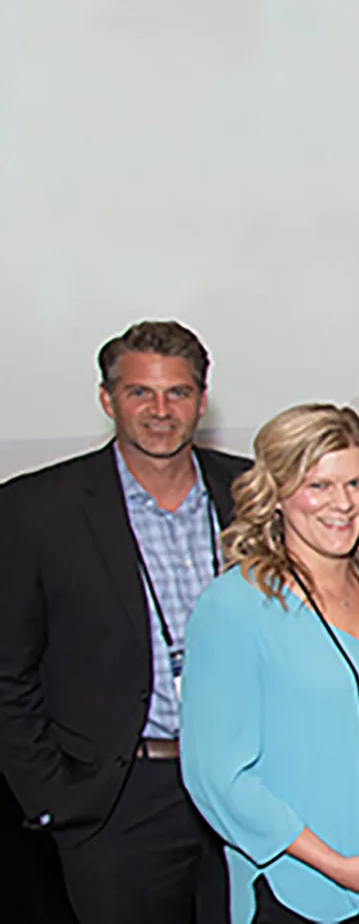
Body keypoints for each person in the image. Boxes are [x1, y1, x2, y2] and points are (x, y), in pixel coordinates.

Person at [181, 404, 359, 924]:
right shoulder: (232, 607)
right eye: (318, 485)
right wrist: (335, 865)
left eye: (356, 483)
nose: (342, 504)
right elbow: (217, 777)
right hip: (299, 888)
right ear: (277, 495)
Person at [0, 321, 247, 924]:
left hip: (247, 786)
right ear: (108, 399)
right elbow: (8, 673)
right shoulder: (35, 509)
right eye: (141, 393)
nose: (160, 411)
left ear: (202, 400)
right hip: (119, 799)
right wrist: (55, 798)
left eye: (178, 393)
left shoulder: (250, 492)